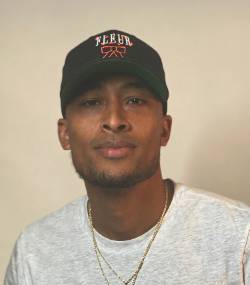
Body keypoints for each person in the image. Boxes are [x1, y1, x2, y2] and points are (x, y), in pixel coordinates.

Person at [4, 29, 250, 285]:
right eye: (91, 102)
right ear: (65, 134)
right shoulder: (34, 253)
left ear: (164, 130)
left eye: (134, 100)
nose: (114, 120)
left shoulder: (239, 239)